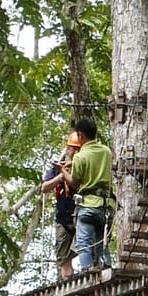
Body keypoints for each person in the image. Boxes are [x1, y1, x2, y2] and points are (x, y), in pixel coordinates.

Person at [68, 110, 113, 272]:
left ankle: (87, 271)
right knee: (102, 242)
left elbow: (74, 183)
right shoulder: (107, 152)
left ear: (80, 136)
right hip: (106, 205)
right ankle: (107, 267)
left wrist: (63, 172)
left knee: (84, 242)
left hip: (88, 205)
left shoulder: (80, 156)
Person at [39, 142, 76, 277]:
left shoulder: (83, 164)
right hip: (63, 217)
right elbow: (44, 188)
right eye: (73, 148)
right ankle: (67, 282)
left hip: (81, 215)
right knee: (64, 258)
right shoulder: (58, 167)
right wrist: (61, 175)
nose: (75, 151)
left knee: (87, 249)